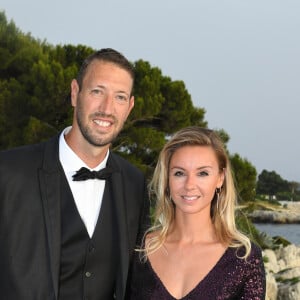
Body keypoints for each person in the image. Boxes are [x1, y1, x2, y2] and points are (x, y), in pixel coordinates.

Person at [0, 48, 149, 300]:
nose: (107, 108)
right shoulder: (8, 171)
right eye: (97, 91)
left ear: (130, 106)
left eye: (120, 97)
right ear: (74, 93)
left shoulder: (134, 184)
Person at [126, 126, 266, 300]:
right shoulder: (139, 249)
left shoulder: (244, 258)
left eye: (202, 173)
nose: (189, 185)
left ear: (220, 178)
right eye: (179, 173)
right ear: (167, 179)